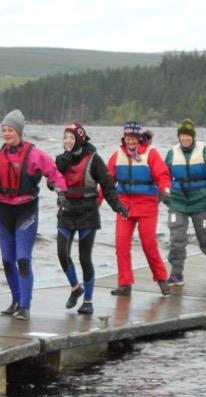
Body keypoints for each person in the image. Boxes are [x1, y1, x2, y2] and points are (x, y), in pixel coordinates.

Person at [0, 109, 67, 321]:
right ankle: (15, 300)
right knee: (8, 260)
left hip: (26, 211)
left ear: (19, 131)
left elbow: (54, 175)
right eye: (3, 130)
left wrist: (61, 194)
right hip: (5, 212)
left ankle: (25, 306)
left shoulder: (35, 154)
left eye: (10, 130)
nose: (6, 134)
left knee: (23, 259)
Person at [55, 122, 128, 314]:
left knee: (84, 258)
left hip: (88, 212)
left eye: (71, 138)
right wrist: (59, 189)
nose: (67, 141)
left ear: (79, 139)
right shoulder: (61, 160)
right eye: (65, 138)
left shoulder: (94, 159)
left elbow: (108, 186)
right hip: (67, 211)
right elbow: (51, 182)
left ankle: (88, 300)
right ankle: (75, 288)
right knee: (62, 254)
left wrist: (118, 206)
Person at [107, 121, 172, 296]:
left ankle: (162, 280)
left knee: (149, 245)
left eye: (134, 138)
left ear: (139, 138)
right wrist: (96, 200)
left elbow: (163, 175)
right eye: (128, 138)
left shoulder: (151, 154)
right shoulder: (117, 156)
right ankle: (124, 284)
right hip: (124, 205)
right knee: (121, 244)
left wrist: (165, 190)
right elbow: (107, 181)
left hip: (147, 204)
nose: (131, 141)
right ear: (124, 138)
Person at [165, 119, 206, 286]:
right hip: (178, 203)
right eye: (182, 135)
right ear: (179, 136)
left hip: (202, 204)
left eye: (188, 136)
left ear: (193, 137)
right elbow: (163, 177)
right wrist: (164, 195)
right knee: (177, 239)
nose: (185, 139)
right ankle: (176, 273)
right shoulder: (172, 153)